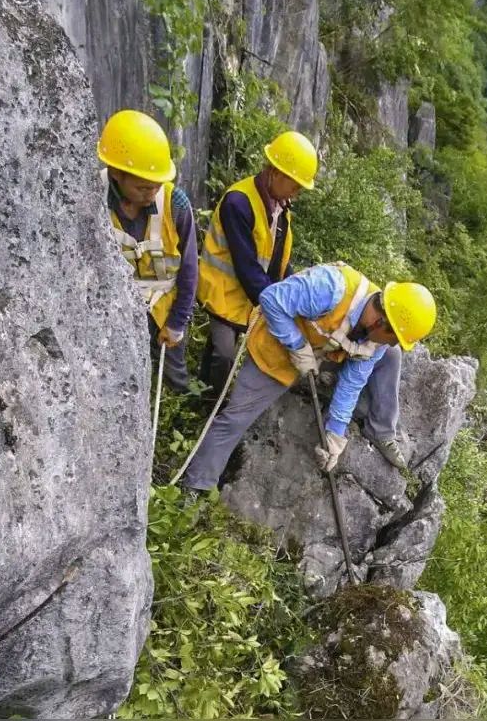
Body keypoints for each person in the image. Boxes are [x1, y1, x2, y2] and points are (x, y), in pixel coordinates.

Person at [181, 262, 437, 493]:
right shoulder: (331, 287)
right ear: (381, 322)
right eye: (393, 338)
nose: (390, 343)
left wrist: (335, 433)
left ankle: (377, 429)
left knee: (390, 357)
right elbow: (271, 299)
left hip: (321, 356)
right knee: (236, 418)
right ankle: (197, 484)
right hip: (276, 352)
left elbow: (351, 383)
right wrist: (296, 345)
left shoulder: (377, 340)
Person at [196, 130, 318, 400]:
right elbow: (247, 266)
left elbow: (277, 259)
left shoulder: (279, 207)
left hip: (249, 297)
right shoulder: (238, 203)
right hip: (224, 293)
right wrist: (276, 306)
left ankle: (207, 390)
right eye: (295, 185)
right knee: (224, 353)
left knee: (223, 350)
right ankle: (210, 404)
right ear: (276, 172)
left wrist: (296, 292)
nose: (297, 192)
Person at [97, 109, 197, 390]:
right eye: (143, 188)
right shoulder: (93, 198)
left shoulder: (175, 204)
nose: (152, 193)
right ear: (117, 173)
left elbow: (190, 270)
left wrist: (177, 323)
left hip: (164, 309)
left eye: (156, 186)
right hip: (116, 314)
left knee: (173, 378)